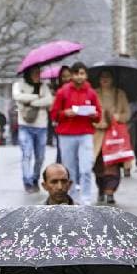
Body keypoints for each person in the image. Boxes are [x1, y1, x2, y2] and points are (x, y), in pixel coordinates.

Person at [51, 62, 101, 201]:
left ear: (86, 75)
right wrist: (65, 113)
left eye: (82, 73)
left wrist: (93, 114)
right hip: (66, 134)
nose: (79, 77)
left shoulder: (91, 93)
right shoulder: (63, 92)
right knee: (69, 170)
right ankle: (71, 198)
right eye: (76, 73)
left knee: (85, 169)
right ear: (72, 75)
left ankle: (86, 200)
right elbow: (54, 114)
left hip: (85, 133)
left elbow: (98, 116)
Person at [14, 67, 55, 193]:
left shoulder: (44, 87)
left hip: (41, 126)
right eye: (35, 73)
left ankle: (35, 178)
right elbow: (17, 96)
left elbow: (49, 100)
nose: (37, 75)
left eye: (39, 73)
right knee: (26, 154)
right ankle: (27, 181)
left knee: (40, 157)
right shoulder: (19, 84)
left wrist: (31, 102)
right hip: (25, 125)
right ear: (28, 73)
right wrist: (36, 97)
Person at [93, 70, 130, 205]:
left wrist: (117, 117)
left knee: (113, 165)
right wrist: (98, 122)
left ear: (113, 79)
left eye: (108, 77)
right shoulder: (94, 94)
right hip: (99, 136)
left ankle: (110, 191)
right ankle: (101, 189)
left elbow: (127, 114)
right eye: (102, 77)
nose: (105, 79)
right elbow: (90, 114)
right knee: (99, 165)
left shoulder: (120, 94)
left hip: (115, 137)